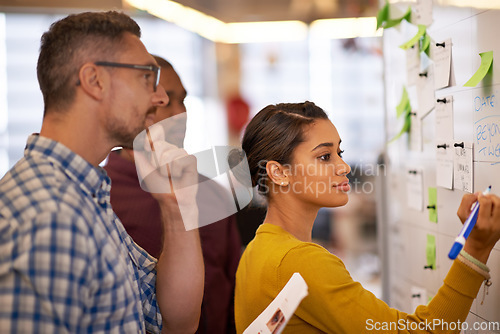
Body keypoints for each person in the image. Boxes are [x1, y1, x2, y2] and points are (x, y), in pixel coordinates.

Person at [0, 11, 204, 333]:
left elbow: (175, 322)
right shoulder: (48, 217)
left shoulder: (85, 196)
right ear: (95, 81)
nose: (161, 97)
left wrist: (176, 206)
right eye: (147, 77)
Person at [233, 101, 500, 333]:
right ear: (279, 173)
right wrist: (475, 250)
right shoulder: (300, 261)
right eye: (325, 156)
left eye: (340, 153)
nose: (344, 166)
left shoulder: (256, 251)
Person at [104, 55, 241, 333]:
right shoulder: (103, 195)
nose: (178, 113)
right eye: (163, 101)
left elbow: (235, 289)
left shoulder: (213, 193)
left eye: (182, 100)